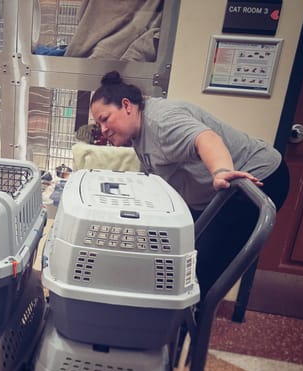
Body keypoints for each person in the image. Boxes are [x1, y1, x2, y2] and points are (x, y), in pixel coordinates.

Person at [90, 70, 290, 301]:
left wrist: (221, 171)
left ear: (126, 106)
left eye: (105, 119)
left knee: (198, 272)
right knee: (175, 250)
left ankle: (183, 324)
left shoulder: (161, 122)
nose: (103, 130)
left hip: (256, 181)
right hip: (211, 195)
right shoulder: (138, 132)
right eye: (99, 124)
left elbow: (206, 139)